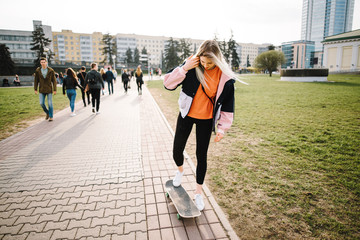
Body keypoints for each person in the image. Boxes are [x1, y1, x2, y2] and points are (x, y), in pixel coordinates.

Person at [163, 40, 237, 211]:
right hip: (186, 115)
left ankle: (198, 193)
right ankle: (180, 171)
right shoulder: (192, 64)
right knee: (177, 149)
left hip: (206, 119)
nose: (206, 65)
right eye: (203, 61)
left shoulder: (225, 76)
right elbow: (168, 84)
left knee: (201, 155)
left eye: (210, 62)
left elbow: (228, 104)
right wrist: (184, 68)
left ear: (217, 58)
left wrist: (222, 129)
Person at [34, 57, 57, 121]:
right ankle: (47, 112)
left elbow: (54, 81)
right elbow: (36, 80)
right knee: (41, 103)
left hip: (49, 89)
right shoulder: (38, 70)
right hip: (41, 90)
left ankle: (51, 116)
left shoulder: (51, 70)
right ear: (40, 63)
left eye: (44, 62)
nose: (43, 63)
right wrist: (35, 89)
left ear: (46, 62)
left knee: (50, 103)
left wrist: (55, 89)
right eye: (42, 62)